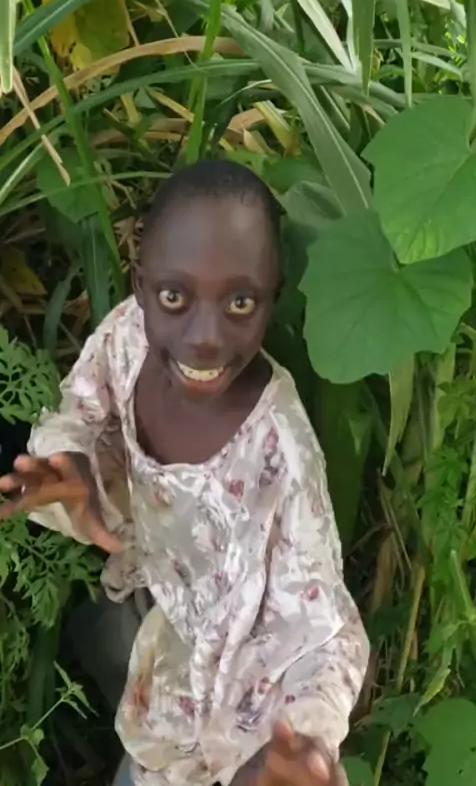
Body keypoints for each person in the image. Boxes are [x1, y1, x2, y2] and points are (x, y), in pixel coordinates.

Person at [0, 161, 368, 786]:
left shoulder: (279, 453)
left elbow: (324, 628)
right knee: (113, 662)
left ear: (273, 295)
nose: (204, 338)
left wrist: (309, 737)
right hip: (153, 597)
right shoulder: (128, 337)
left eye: (240, 303)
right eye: (175, 298)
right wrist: (75, 462)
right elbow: (83, 408)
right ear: (141, 287)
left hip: (235, 686)